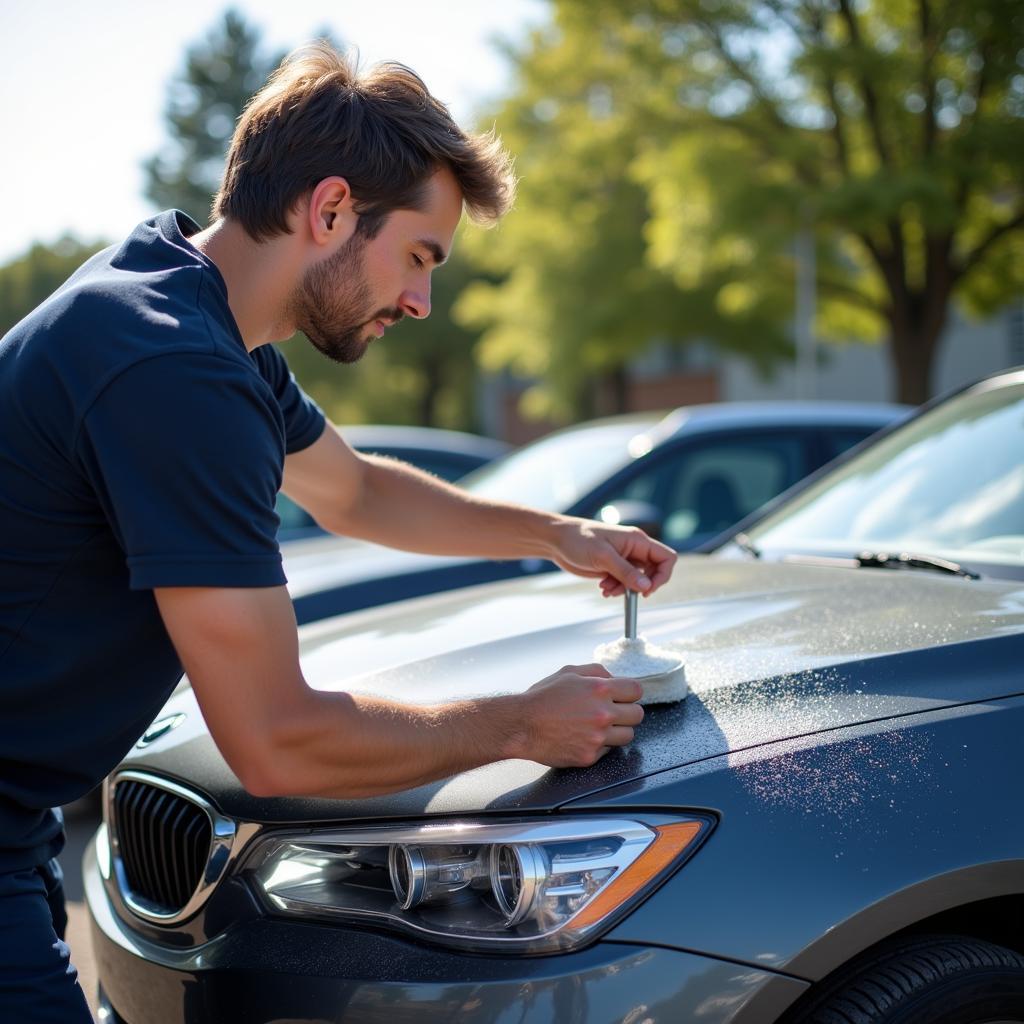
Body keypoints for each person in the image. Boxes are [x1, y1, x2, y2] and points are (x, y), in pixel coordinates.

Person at [0, 43, 676, 1021]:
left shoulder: (181, 302)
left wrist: (563, 535)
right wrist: (520, 723)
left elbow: (357, 494)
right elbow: (277, 740)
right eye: (419, 256)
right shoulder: (173, 372)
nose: (420, 300)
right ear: (328, 211)